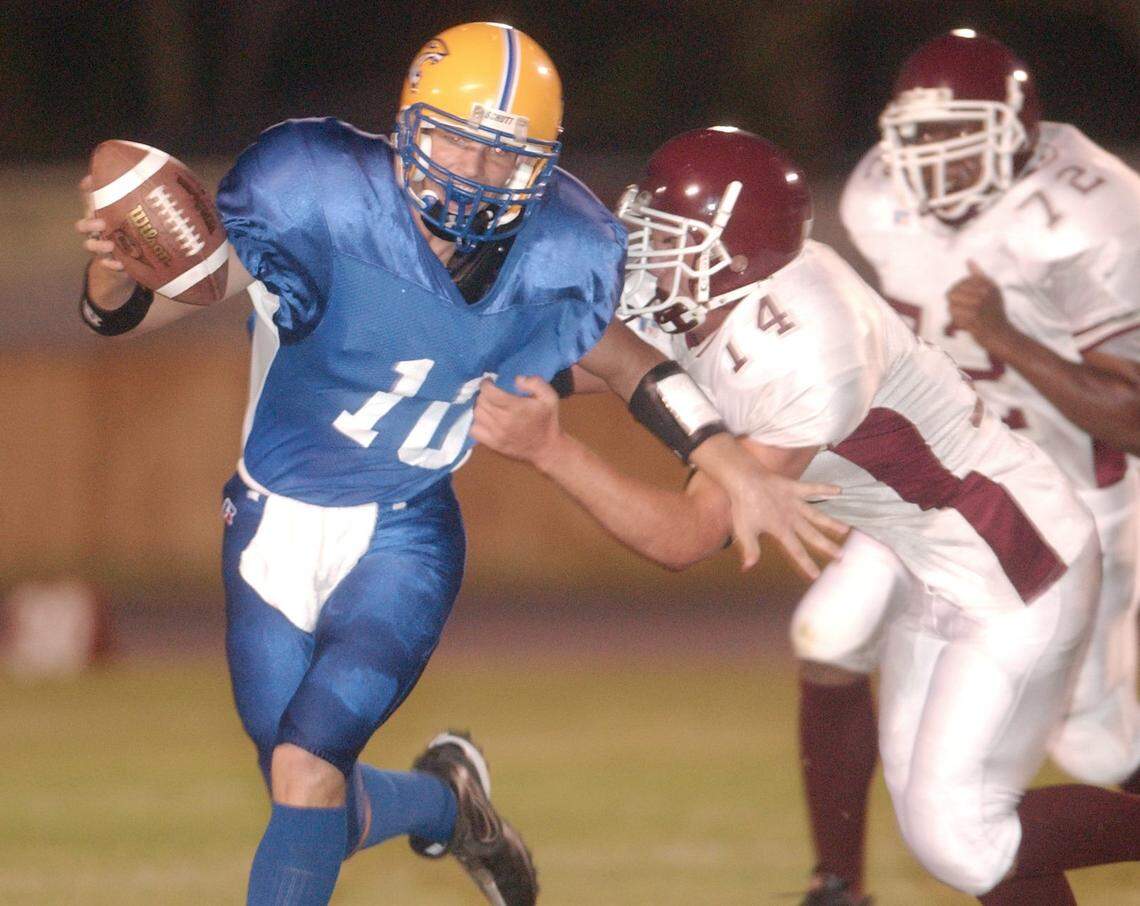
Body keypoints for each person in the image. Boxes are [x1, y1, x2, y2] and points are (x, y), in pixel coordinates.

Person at [73, 22, 836, 906]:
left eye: (503, 159)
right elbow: (149, 309)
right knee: (314, 797)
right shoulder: (312, 196)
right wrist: (114, 278)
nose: (472, 174)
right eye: (454, 141)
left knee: (306, 767)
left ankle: (438, 805)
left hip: (404, 538)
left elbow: (629, 364)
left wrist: (725, 459)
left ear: (542, 169)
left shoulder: (559, 251)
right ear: (406, 125)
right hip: (267, 525)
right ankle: (449, 807)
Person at [470, 126, 1140, 904]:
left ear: (735, 248)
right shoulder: (721, 297)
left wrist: (553, 451)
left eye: (667, 237)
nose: (647, 255)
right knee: (959, 831)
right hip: (933, 561)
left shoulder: (808, 350)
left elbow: (689, 536)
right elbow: (585, 360)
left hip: (1017, 564)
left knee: (961, 836)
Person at [785, 30, 1140, 904]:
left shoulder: (1092, 210)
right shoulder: (879, 194)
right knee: (827, 637)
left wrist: (1006, 336)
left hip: (1072, 513)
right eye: (923, 138)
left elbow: (1133, 418)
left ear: (1017, 131)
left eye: (959, 136)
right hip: (947, 486)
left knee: (1086, 749)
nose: (934, 162)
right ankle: (839, 887)